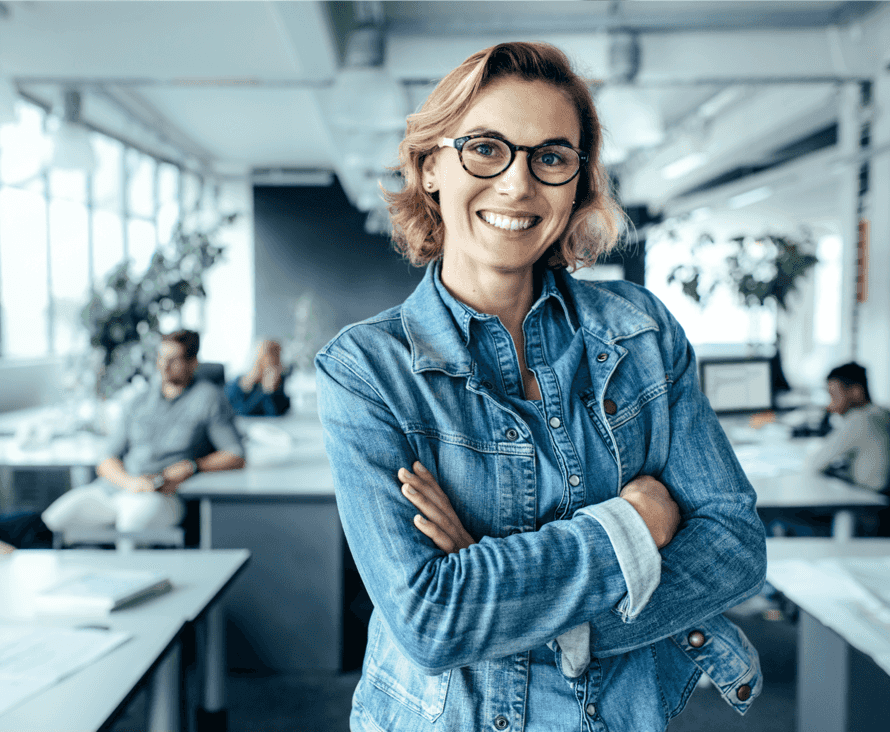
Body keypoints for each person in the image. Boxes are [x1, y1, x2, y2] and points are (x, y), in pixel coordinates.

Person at [315, 42, 766, 731]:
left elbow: (734, 546)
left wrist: (529, 607)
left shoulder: (640, 334)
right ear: (431, 165)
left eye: (551, 158)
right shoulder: (367, 370)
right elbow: (431, 619)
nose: (518, 185)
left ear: (577, 182)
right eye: (485, 149)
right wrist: (633, 527)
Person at [42, 330, 245, 538]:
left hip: (163, 494)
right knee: (54, 520)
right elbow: (106, 460)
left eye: (174, 360)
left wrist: (193, 466)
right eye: (161, 357)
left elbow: (235, 454)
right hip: (118, 487)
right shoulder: (139, 399)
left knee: (131, 525)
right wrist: (130, 483)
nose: (165, 365)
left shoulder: (209, 398)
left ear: (193, 363)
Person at [806, 362, 890, 493]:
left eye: (834, 396)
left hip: (870, 498)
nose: (830, 405)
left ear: (856, 392)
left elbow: (813, 464)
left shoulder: (860, 419)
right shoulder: (882, 412)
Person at [225, 339, 291, 416]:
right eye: (266, 358)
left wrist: (269, 391)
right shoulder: (237, 384)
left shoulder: (278, 385)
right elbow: (242, 412)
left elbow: (275, 413)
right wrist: (263, 392)